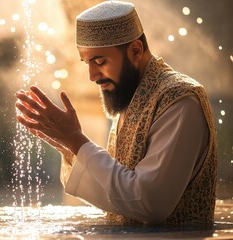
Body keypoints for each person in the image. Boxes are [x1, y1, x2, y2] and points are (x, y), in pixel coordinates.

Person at [15, 0, 217, 225]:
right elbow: (120, 198)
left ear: (135, 50)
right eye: (86, 62)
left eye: (99, 61)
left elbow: (149, 203)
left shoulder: (179, 101)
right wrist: (71, 149)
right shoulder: (133, 96)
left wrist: (78, 141)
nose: (92, 75)